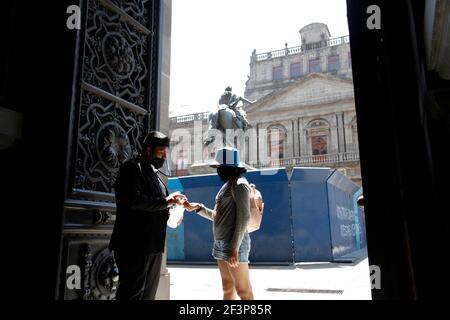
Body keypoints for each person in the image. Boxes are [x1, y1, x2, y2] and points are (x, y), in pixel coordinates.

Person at [109, 131, 187, 300]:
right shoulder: (131, 168)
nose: (164, 157)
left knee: (148, 295)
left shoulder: (156, 176)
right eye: (161, 152)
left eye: (166, 153)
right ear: (148, 151)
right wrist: (167, 202)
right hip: (133, 245)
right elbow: (133, 200)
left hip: (153, 246)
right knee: (131, 294)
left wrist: (174, 210)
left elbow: (158, 204)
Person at [183, 147, 254, 300]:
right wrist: (199, 208)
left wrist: (234, 248)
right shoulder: (227, 185)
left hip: (234, 244)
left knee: (244, 292)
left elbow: (244, 217)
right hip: (221, 243)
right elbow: (219, 217)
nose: (218, 170)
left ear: (229, 167)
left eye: (220, 167)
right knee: (228, 288)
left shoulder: (240, 185)